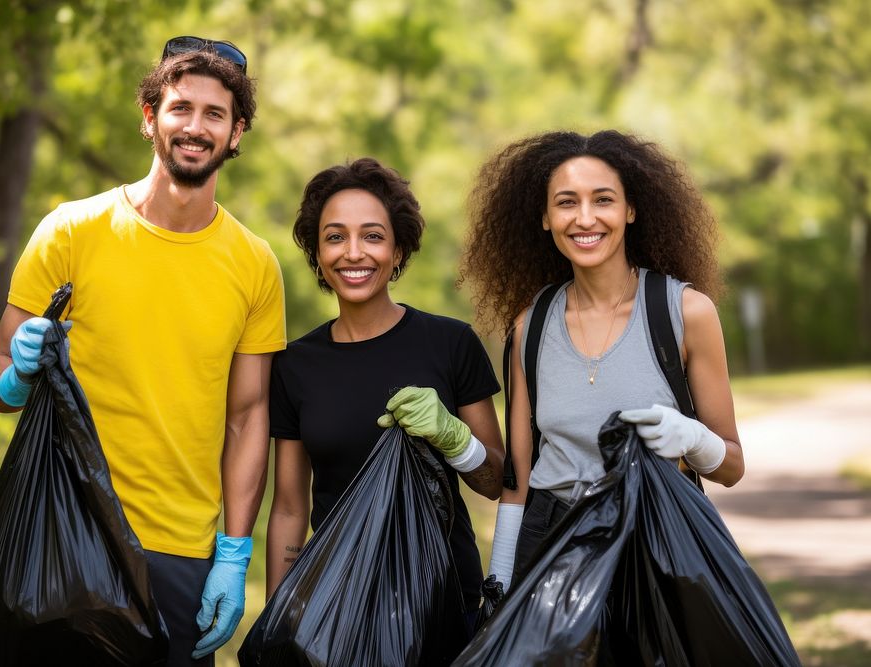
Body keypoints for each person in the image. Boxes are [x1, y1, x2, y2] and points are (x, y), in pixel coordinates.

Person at [0, 37, 286, 666]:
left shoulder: (254, 265)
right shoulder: (71, 230)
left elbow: (249, 416)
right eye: (180, 108)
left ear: (236, 133)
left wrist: (233, 554)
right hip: (62, 529)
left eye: (215, 114)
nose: (195, 128)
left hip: (179, 552)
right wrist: (17, 378)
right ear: (150, 117)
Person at [459, 130, 745, 592]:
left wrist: (692, 438)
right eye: (567, 202)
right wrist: (501, 582)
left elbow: (730, 467)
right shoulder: (528, 328)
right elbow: (517, 479)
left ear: (630, 210)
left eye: (603, 200)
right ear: (546, 218)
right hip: (551, 548)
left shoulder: (685, 313)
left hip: (653, 543)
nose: (585, 218)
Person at [265, 157, 505, 630]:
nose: (354, 253)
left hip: (443, 599)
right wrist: (279, 619)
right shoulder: (294, 365)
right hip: (341, 606)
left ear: (398, 252)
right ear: (318, 253)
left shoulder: (451, 343)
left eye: (373, 236)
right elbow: (291, 508)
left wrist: (455, 440)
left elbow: (497, 481)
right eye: (335, 237)